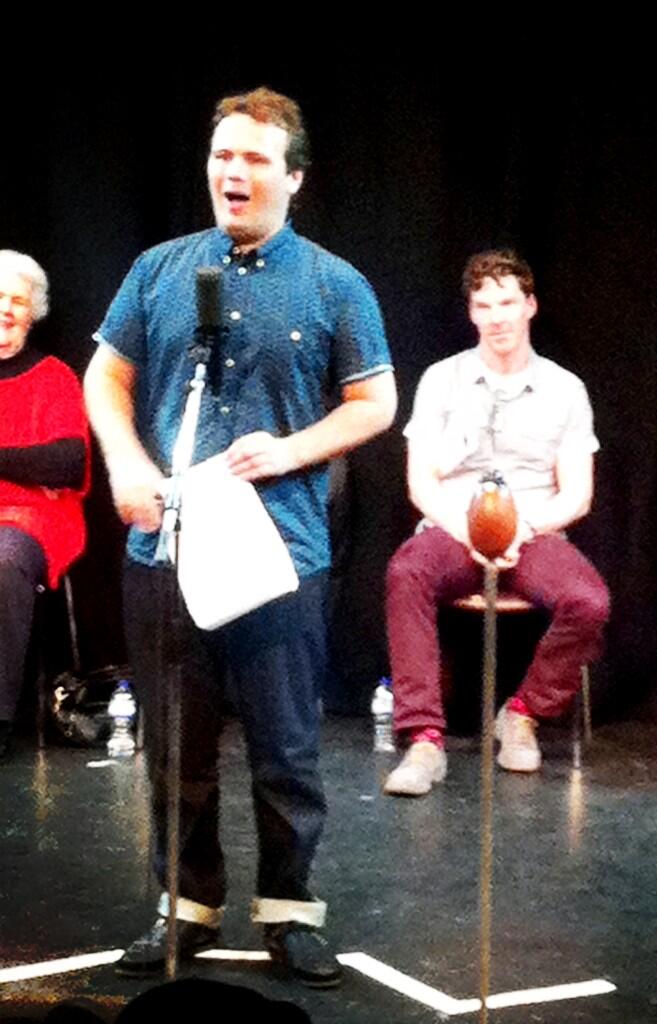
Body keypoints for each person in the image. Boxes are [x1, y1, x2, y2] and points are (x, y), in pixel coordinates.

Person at [84, 87, 396, 985]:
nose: (234, 171)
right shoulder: (159, 269)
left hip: (279, 550)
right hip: (166, 545)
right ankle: (184, 906)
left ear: (293, 177)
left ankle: (289, 913)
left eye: (255, 158)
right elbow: (107, 376)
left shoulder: (335, 284)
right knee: (173, 744)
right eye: (223, 154)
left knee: (285, 747)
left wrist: (291, 449)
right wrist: (126, 463)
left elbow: (376, 402)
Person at [383, 249, 609, 796]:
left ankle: (523, 713)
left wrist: (520, 530)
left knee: (589, 601)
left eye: (507, 303)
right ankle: (424, 739)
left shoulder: (565, 388)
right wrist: (467, 529)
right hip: (454, 526)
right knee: (405, 574)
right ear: (471, 313)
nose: (497, 318)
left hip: (533, 530)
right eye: (484, 306)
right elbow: (420, 484)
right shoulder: (442, 380)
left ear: (530, 306)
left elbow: (577, 495)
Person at [0, 251, 88, 760]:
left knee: (4, 560)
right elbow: (40, 463)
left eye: (17, 300)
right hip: (24, 501)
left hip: (33, 520)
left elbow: (66, 463)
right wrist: (23, 463)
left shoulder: (54, 378)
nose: (6, 310)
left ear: (32, 313)